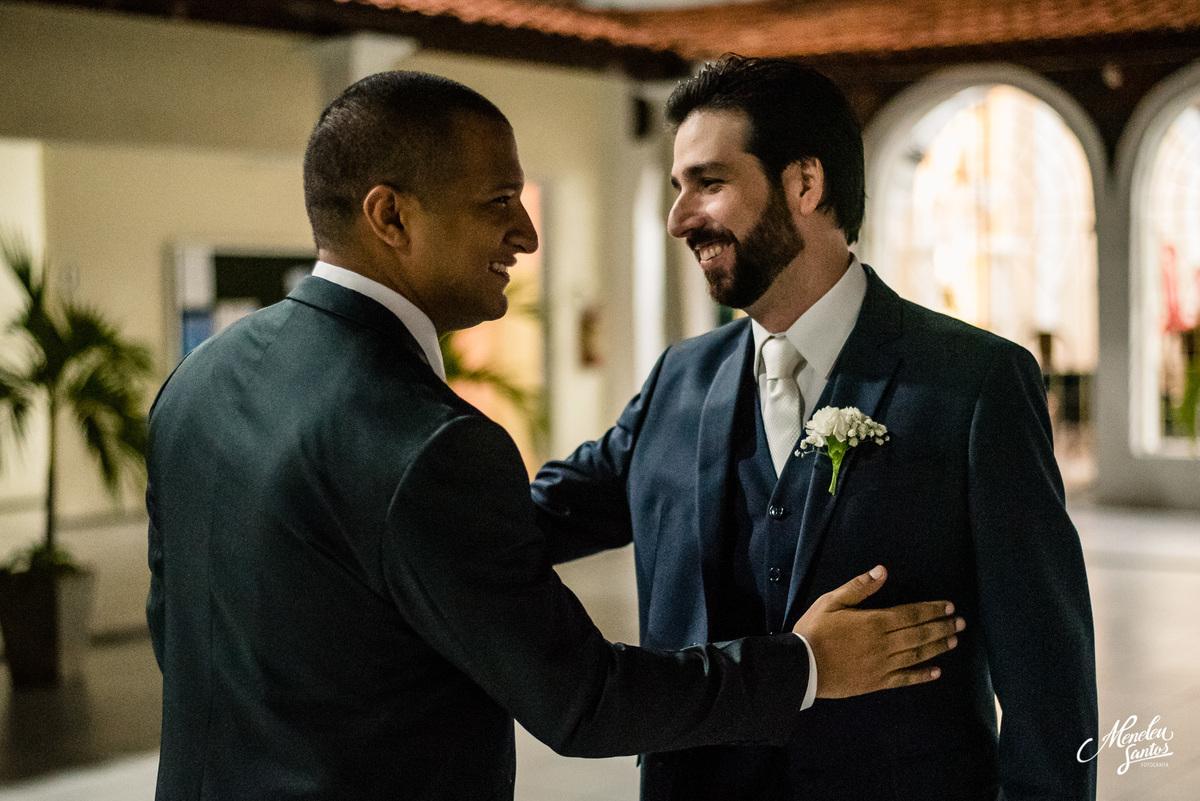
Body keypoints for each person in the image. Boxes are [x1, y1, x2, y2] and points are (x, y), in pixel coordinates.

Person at [145, 70, 962, 801]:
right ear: (389, 215)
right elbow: (585, 700)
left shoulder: (201, 381)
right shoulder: (429, 443)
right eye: (498, 203)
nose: (527, 236)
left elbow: (175, 628)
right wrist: (807, 664)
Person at [532, 55, 1098, 800]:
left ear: (805, 184)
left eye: (709, 182)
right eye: (677, 188)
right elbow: (535, 517)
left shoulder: (977, 384)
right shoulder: (680, 378)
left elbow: (1049, 686)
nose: (679, 219)